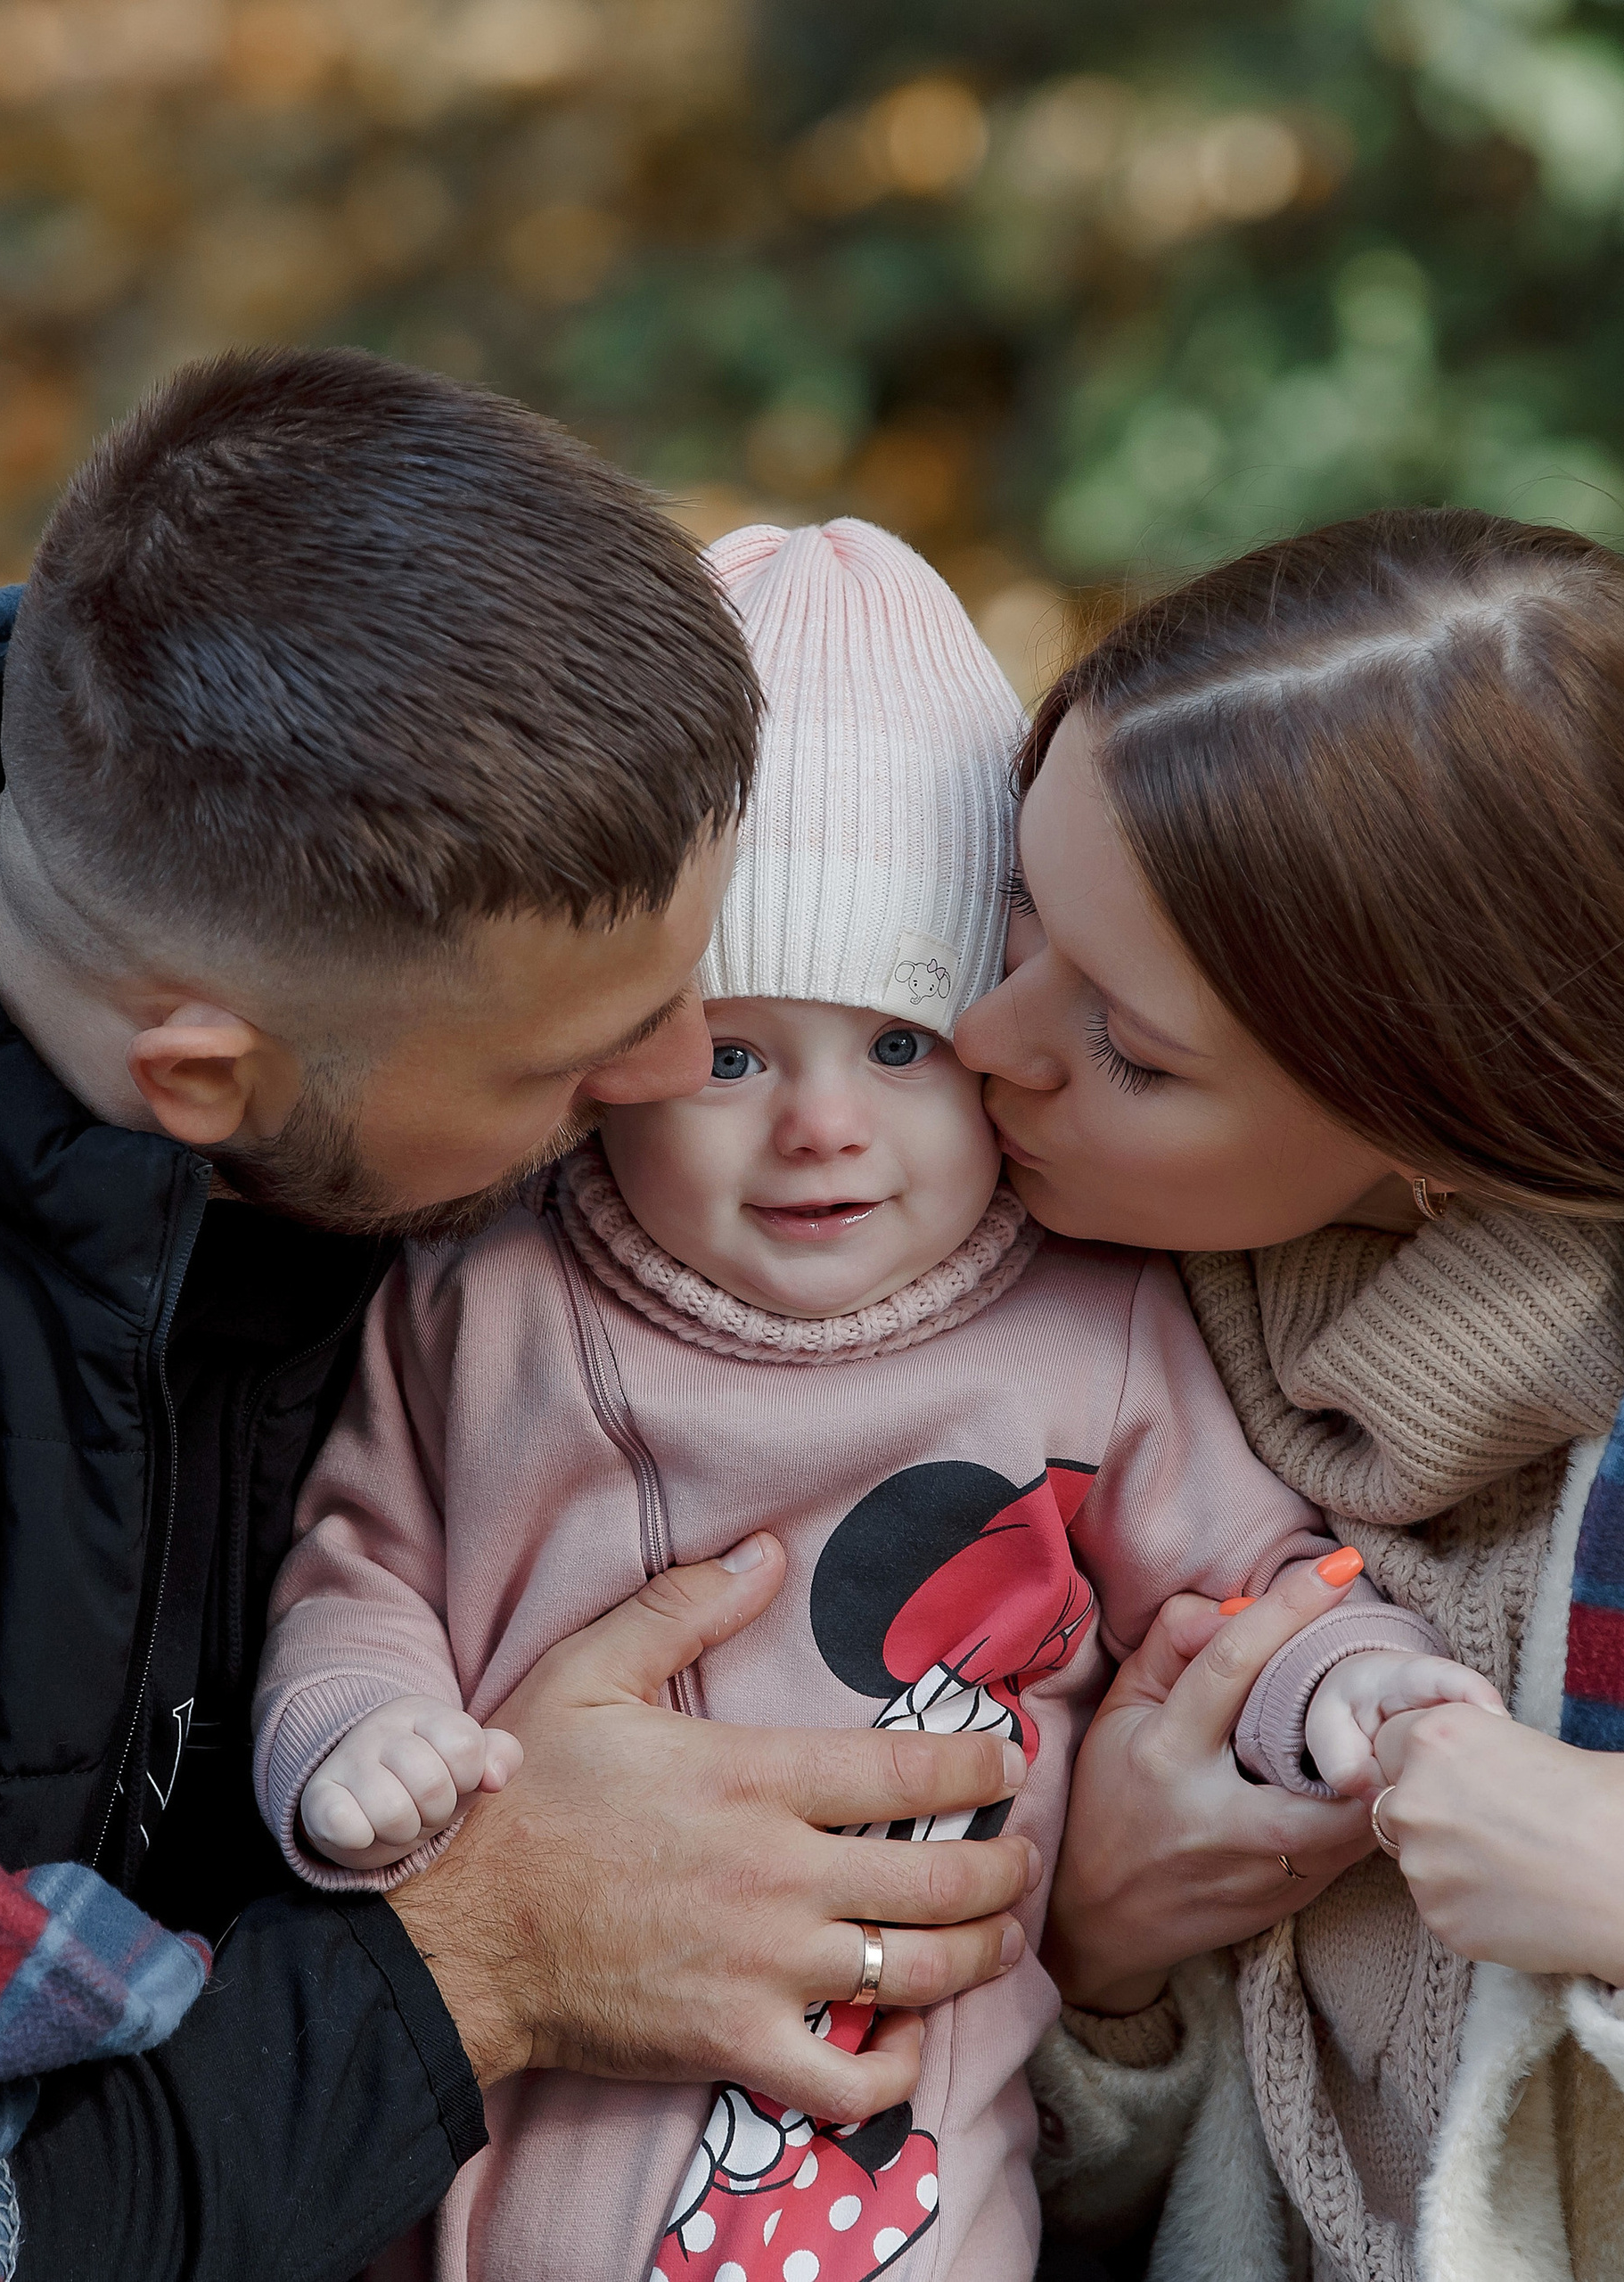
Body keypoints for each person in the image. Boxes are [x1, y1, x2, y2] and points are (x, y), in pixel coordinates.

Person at [0, 351, 1045, 2282]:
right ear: (203, 1077)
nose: (672, 1080)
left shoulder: (333, 893)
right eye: (578, 1058)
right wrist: (486, 1960)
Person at [250, 519, 1494, 2282]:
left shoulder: (1091, 1324)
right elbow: (356, 1560)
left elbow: (1245, 1581)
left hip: (907, 2208)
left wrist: (1346, 1682)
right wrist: (349, 1729)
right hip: (499, 2163)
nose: (822, 1122)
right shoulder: (492, 1300)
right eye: (735, 1052)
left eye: (900, 1040)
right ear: (611, 1065)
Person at [946, 505, 1624, 2280]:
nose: (985, 1038)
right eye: (1013, 915)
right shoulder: (1006, 1346)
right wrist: (1094, 1956)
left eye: (1126, 1041)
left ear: (1437, 1119)